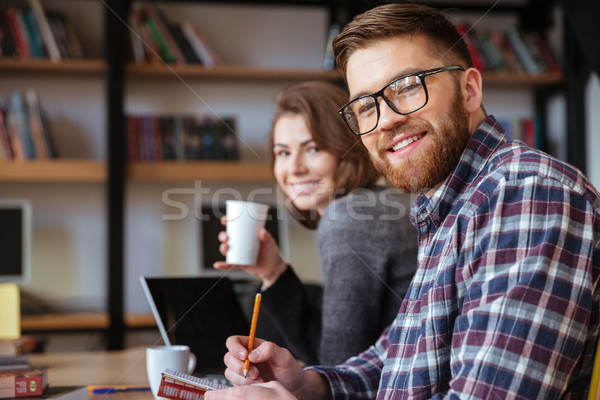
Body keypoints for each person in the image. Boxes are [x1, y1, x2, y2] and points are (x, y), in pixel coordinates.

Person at [205, 3, 600, 399]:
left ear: (469, 90)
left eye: (409, 86)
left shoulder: (525, 193)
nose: (387, 119)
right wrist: (309, 385)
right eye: (366, 106)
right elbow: (398, 357)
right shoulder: (447, 206)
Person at [214, 80, 418, 366]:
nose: (294, 167)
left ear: (346, 150)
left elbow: (337, 368)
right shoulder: (377, 204)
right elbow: (336, 362)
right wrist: (273, 272)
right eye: (283, 153)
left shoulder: (349, 219)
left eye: (313, 149)